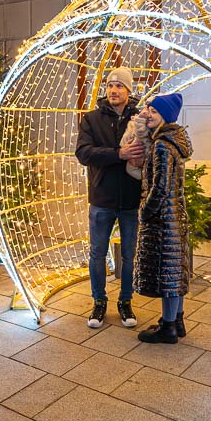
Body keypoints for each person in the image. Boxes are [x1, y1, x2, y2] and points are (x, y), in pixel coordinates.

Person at [75, 67, 145, 329]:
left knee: (129, 254)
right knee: (97, 253)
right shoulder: (92, 119)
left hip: (130, 199)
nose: (114, 90)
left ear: (129, 91)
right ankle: (99, 302)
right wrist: (119, 154)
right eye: (110, 85)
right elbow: (83, 153)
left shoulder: (140, 118)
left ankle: (125, 302)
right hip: (101, 198)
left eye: (120, 86)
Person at [134, 93, 193, 344]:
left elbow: (160, 186)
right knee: (174, 271)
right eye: (148, 109)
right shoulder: (173, 142)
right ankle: (176, 321)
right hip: (175, 215)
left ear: (165, 117)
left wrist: (145, 212)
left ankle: (168, 328)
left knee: (168, 273)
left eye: (153, 111)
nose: (148, 113)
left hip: (163, 219)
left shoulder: (161, 145)